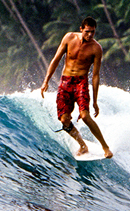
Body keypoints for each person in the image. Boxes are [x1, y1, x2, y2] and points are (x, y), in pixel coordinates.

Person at [39, 16, 113, 158]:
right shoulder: (69, 38)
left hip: (81, 82)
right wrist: (46, 81)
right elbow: (56, 59)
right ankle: (82, 145)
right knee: (64, 120)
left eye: (93, 32)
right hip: (65, 82)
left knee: (85, 116)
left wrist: (95, 101)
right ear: (81, 29)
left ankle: (105, 147)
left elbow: (96, 75)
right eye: (87, 31)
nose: (90, 35)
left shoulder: (96, 48)